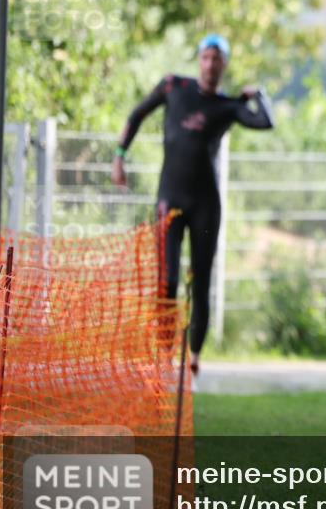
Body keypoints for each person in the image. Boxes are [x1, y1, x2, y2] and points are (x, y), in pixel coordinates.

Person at [111, 34, 274, 380]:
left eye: (217, 58)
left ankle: (195, 360)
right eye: (206, 57)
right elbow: (137, 114)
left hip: (205, 205)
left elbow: (265, 122)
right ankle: (163, 359)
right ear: (198, 59)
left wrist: (258, 95)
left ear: (224, 64)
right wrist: (119, 156)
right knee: (167, 281)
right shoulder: (173, 86)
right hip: (170, 199)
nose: (211, 64)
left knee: (200, 283)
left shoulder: (229, 106)